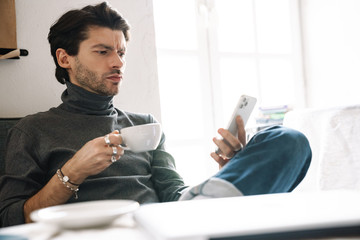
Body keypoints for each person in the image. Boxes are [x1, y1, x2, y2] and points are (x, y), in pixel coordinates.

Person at [0, 2, 311, 227]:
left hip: (166, 227)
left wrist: (233, 170)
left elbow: (176, 196)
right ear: (65, 58)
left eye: (121, 52)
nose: (118, 63)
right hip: (104, 233)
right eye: (103, 51)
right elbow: (11, 220)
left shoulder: (144, 124)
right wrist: (72, 172)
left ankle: (223, 198)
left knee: (288, 139)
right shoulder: (32, 130)